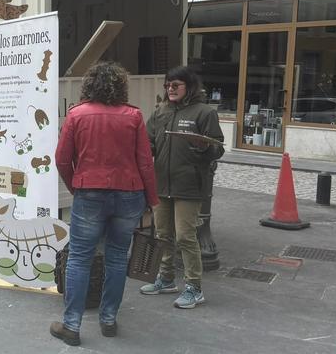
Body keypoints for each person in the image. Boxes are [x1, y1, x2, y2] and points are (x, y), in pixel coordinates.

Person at [50, 62, 159, 347]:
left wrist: (77, 186)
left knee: (79, 258)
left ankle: (71, 325)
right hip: (129, 194)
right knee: (117, 257)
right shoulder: (134, 116)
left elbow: (61, 158)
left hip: (89, 193)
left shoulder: (76, 115)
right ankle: (108, 319)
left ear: (89, 85)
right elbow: (145, 162)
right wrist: (152, 199)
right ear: (120, 86)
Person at [141, 66, 224, 309]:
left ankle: (194, 288)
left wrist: (203, 146)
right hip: (162, 184)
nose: (170, 89)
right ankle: (166, 279)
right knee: (163, 235)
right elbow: (149, 143)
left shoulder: (204, 112)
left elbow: (218, 149)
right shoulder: (161, 112)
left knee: (186, 237)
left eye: (176, 85)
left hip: (189, 185)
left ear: (189, 86)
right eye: (167, 85)